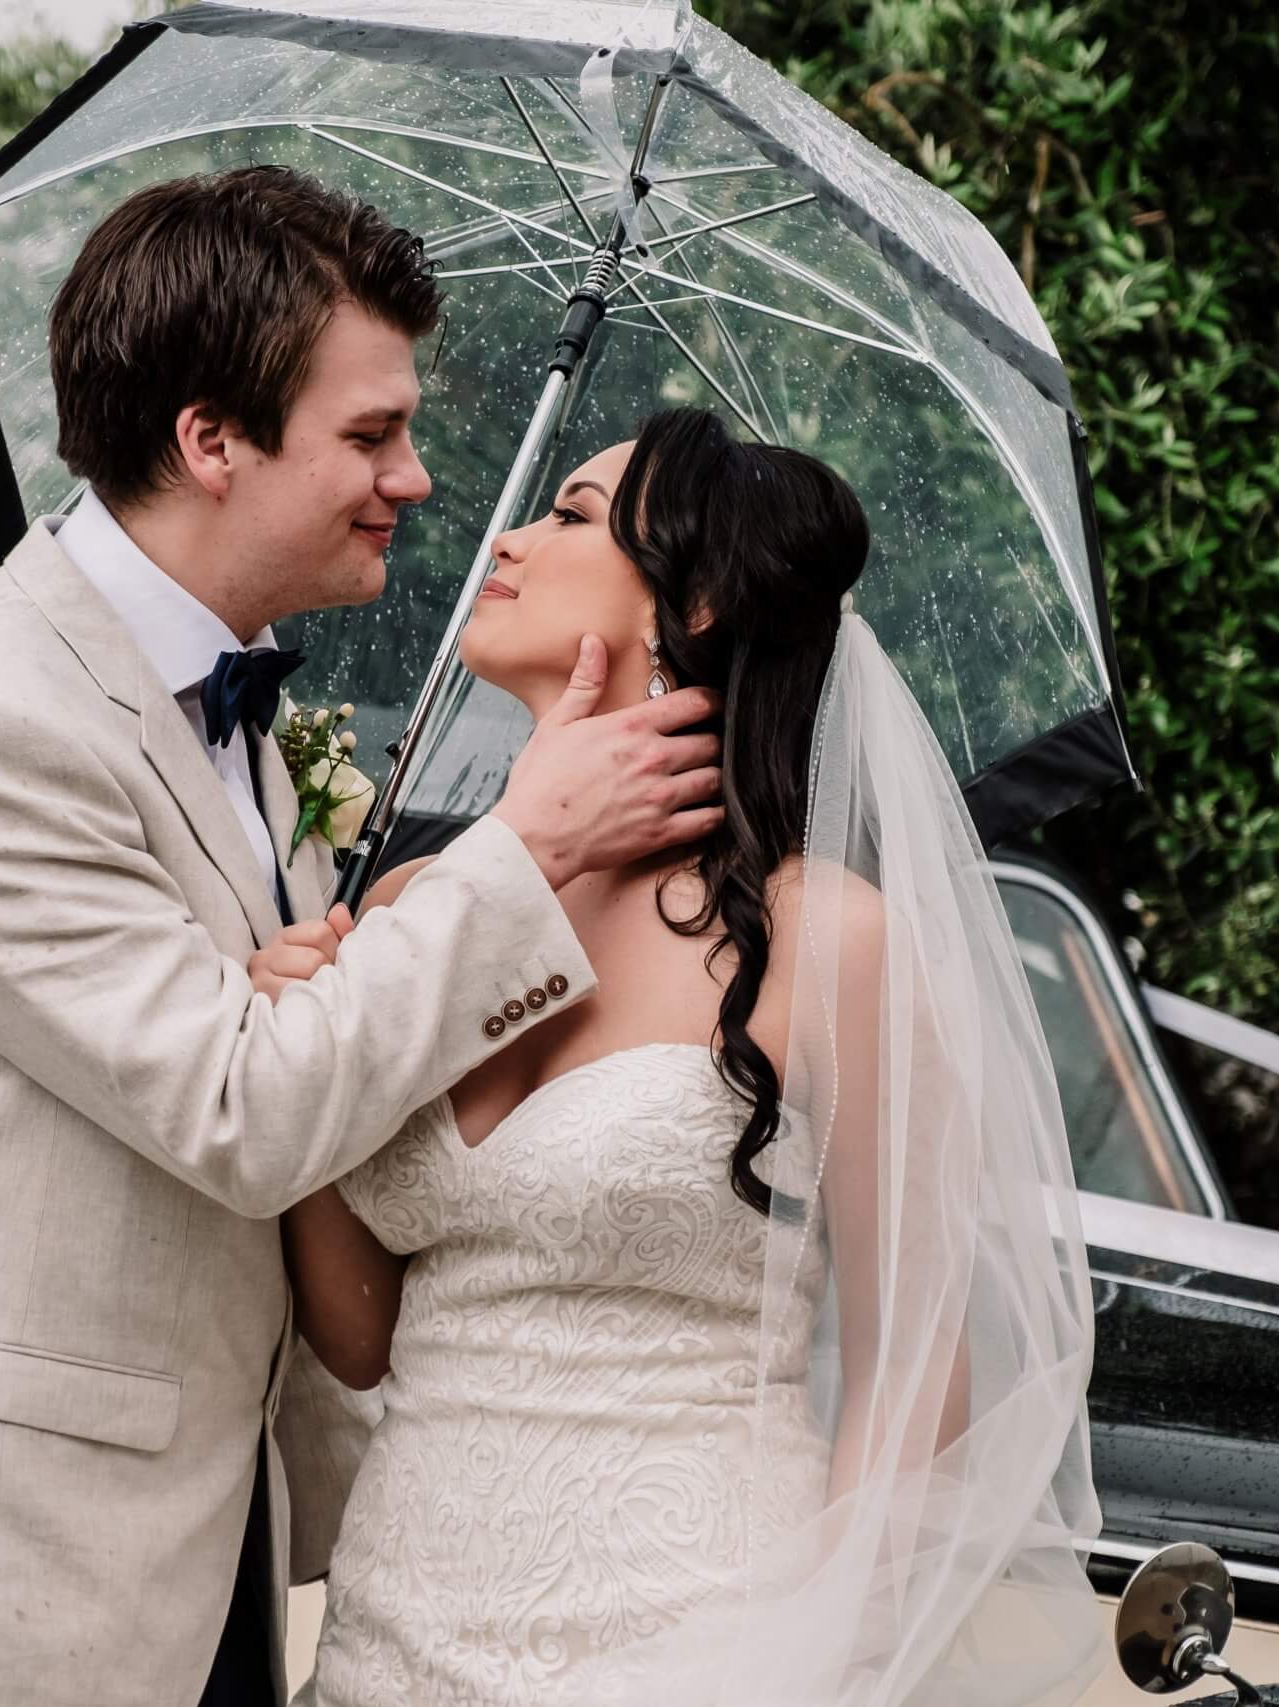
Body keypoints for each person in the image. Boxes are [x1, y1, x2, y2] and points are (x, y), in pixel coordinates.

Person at [0, 167, 726, 1707]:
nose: (419, 478)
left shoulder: (248, 723)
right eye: (371, 434)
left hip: (211, 1571)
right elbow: (246, 1108)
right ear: (210, 440)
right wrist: (527, 851)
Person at [275, 409, 1106, 1707]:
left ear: (701, 594)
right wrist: (314, 1044)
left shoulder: (829, 941)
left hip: (695, 1640)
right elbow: (359, 1338)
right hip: (391, 1638)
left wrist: (826, 1657)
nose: (503, 540)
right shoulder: (415, 911)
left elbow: (912, 1363)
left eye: (569, 517)